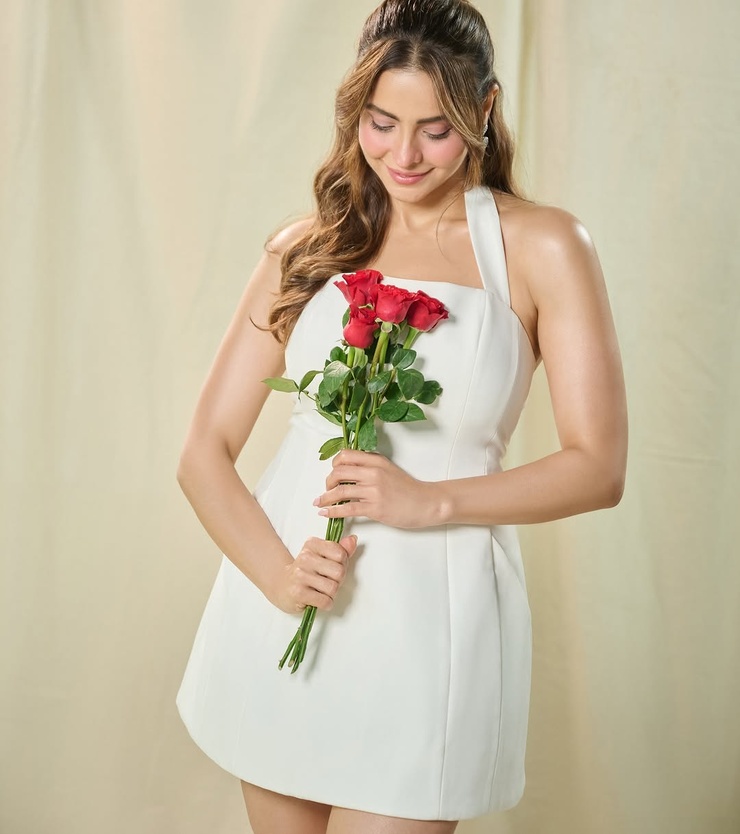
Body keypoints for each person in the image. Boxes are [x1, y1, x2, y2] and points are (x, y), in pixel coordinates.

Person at [175, 0, 628, 832]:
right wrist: (277, 575)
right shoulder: (304, 249)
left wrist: (432, 500)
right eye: (382, 124)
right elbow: (203, 451)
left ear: (484, 110)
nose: (405, 155)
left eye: (437, 129)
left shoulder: (545, 246)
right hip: (289, 604)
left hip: (433, 626)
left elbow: (598, 467)